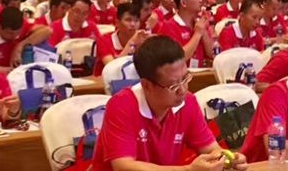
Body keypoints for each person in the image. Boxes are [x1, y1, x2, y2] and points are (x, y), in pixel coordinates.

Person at [92, 36, 248, 171]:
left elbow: (211, 149)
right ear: (147, 85)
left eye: (185, 79)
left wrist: (227, 158)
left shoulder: (188, 102)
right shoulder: (121, 106)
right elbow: (124, 166)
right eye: (173, 86)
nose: (182, 90)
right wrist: (187, 170)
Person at [160, 0, 214, 68]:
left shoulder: (199, 24)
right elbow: (178, 59)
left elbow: (211, 53)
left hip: (200, 73)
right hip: (179, 74)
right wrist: (197, 34)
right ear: (183, 3)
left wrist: (203, 32)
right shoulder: (169, 26)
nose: (200, 0)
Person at [94, 4, 150, 76]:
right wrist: (131, 42)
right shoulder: (104, 40)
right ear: (117, 22)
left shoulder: (143, 40)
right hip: (104, 80)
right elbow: (111, 68)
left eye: (136, 20)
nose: (133, 24)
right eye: (128, 20)